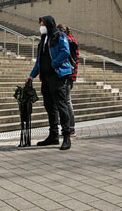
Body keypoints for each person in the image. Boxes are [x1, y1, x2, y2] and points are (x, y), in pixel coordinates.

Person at [25, 16, 74, 149]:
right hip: (46, 77)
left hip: (58, 75)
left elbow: (65, 52)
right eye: (40, 24)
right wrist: (32, 75)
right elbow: (39, 61)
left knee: (61, 104)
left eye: (43, 24)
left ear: (49, 24)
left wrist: (54, 64)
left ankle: (66, 136)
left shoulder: (60, 36)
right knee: (49, 106)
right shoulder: (43, 40)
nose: (41, 27)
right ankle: (53, 135)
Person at [57, 24, 79, 137]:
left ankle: (70, 128)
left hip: (67, 74)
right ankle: (69, 127)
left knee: (66, 100)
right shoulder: (72, 40)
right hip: (71, 74)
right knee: (66, 100)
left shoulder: (67, 41)